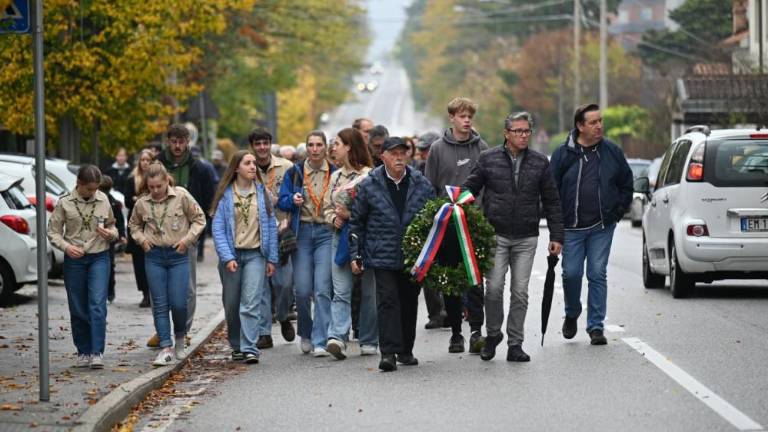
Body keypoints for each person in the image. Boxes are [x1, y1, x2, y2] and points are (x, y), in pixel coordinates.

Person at [463, 112, 564, 362]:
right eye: (518, 131)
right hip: (495, 234)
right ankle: (493, 334)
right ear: (506, 133)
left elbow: (552, 200)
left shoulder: (540, 162)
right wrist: (454, 206)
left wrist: (557, 235)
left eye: (527, 131)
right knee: (494, 289)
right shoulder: (488, 159)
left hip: (526, 236)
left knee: (520, 292)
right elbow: (470, 188)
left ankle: (515, 343)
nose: (523, 135)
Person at [549, 103, 633, 346]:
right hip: (571, 228)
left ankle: (596, 326)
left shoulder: (612, 152)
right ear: (580, 126)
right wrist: (555, 223)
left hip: (601, 226)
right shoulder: (563, 154)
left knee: (597, 273)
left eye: (600, 121)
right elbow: (550, 189)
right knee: (571, 273)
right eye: (593, 122)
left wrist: (618, 210)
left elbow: (626, 183)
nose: (599, 126)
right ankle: (572, 312)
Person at [349, 137, 435, 372]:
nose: (399, 157)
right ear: (382, 156)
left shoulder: (421, 183)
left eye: (402, 152)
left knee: (408, 301)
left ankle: (405, 350)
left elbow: (432, 219)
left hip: (412, 254)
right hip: (381, 252)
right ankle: (388, 353)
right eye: (393, 153)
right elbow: (357, 222)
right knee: (387, 301)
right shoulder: (370, 184)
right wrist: (355, 255)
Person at [424, 96, 488, 354]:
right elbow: (430, 186)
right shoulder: (437, 149)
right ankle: (455, 333)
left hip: (474, 221)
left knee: (475, 280)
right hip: (448, 223)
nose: (467, 120)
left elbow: (489, 183)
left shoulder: (481, 147)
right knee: (450, 280)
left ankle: (475, 331)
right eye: (462, 116)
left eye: (470, 116)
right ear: (452, 118)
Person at [129, 163, 206, 366]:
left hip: (177, 254)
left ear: (166, 182)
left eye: (158, 186)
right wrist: (142, 240)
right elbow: (134, 225)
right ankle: (166, 346)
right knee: (160, 304)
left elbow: (199, 219)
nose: (155, 191)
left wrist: (187, 241)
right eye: (151, 187)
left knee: (179, 302)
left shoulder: (181, 196)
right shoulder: (142, 203)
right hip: (154, 256)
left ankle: (180, 336)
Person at [47, 165, 119, 369]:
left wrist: (111, 234)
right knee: (78, 307)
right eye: (89, 189)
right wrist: (66, 247)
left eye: (96, 188)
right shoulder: (65, 203)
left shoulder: (103, 199)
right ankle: (83, 351)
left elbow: (113, 225)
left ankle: (97, 352)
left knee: (97, 304)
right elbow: (52, 232)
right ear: (79, 184)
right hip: (75, 260)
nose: (93, 192)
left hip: (99, 257)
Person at [211, 151, 279, 364]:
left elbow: (270, 226)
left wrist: (271, 259)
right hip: (232, 256)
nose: (253, 167)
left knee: (250, 302)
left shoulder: (263, 193)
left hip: (255, 255)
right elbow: (218, 229)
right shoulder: (225, 195)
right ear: (236, 167)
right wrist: (227, 256)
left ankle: (250, 347)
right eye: (247, 163)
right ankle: (236, 345)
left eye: (254, 164)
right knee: (231, 304)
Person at [278, 131, 336, 356]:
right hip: (302, 232)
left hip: (325, 232)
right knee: (302, 289)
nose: (314, 149)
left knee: (322, 288)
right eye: (310, 145)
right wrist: (292, 199)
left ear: (325, 147)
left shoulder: (334, 172)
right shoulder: (295, 172)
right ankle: (306, 332)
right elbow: (282, 200)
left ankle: (321, 339)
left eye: (319, 145)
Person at [155, 124, 216, 341]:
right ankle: (162, 330)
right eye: (174, 141)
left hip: (187, 233)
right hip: (158, 234)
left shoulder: (200, 168)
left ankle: (184, 330)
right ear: (168, 141)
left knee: (187, 287)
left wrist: (202, 229)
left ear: (188, 141)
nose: (178, 146)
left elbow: (211, 200)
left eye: (182, 141)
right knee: (159, 287)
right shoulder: (157, 164)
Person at [324, 128, 377, 360]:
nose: (332, 148)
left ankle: (368, 339)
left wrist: (351, 214)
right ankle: (337, 338)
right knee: (341, 290)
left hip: (364, 239)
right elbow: (325, 208)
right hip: (340, 238)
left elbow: (376, 209)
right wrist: (333, 218)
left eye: (337, 143)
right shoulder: (335, 177)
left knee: (368, 291)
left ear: (349, 146)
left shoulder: (371, 175)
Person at [248, 128, 295, 348]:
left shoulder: (286, 167)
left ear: (270, 144)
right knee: (262, 285)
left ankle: (284, 315)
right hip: (255, 233)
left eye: (265, 143)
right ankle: (264, 332)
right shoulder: (246, 168)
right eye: (258, 144)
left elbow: (297, 196)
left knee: (284, 283)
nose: (262, 147)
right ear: (253, 146)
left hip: (281, 231)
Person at [125, 149, 154, 308]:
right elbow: (127, 200)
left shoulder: (157, 178)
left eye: (148, 160)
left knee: (151, 257)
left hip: (152, 222)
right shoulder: (132, 179)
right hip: (136, 221)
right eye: (142, 159)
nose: (145, 162)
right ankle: (144, 293)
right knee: (138, 260)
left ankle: (153, 292)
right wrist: (137, 199)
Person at [98, 175, 127, 304]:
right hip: (97, 238)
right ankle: (102, 291)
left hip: (109, 238)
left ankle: (110, 291)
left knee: (109, 265)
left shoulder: (114, 203)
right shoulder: (96, 201)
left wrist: (121, 235)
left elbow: (120, 220)